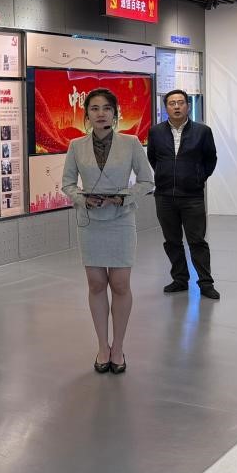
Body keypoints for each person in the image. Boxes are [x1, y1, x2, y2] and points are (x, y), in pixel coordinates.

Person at [61, 88, 154, 376]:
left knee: (121, 284)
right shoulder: (76, 145)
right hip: (90, 222)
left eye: (106, 108)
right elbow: (67, 184)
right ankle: (103, 346)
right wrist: (82, 199)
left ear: (115, 113)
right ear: (86, 114)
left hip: (121, 220)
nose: (100, 113)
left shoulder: (131, 143)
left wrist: (124, 197)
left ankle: (118, 347)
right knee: (96, 284)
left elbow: (147, 181)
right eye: (94, 108)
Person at [148, 90, 220, 300]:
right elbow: (153, 158)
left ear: (188, 106)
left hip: (192, 196)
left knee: (197, 241)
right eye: (172, 103)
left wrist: (198, 178)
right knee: (172, 241)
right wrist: (164, 176)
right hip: (164, 196)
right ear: (166, 107)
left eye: (180, 102)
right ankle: (180, 279)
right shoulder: (155, 132)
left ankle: (205, 283)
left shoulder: (202, 131)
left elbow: (211, 159)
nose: (177, 106)